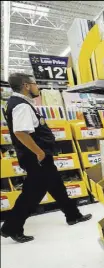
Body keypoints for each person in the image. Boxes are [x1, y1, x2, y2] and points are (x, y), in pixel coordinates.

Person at [1, 73, 91, 243]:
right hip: (36, 157)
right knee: (32, 194)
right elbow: (20, 132)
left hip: (37, 157)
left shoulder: (18, 103)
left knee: (56, 185)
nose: (38, 87)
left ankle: (73, 215)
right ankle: (11, 227)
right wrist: (39, 152)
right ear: (26, 85)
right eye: (35, 84)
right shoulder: (21, 106)